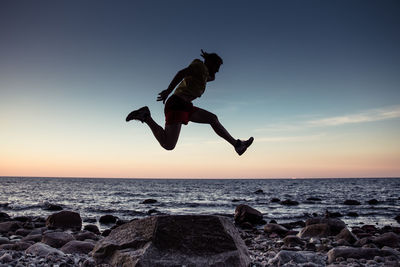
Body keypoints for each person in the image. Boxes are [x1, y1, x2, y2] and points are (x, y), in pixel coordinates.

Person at [126, 50, 253, 156]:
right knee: (168, 145)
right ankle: (146, 117)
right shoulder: (199, 67)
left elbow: (212, 77)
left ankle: (237, 145)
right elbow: (182, 73)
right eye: (217, 67)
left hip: (185, 106)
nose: (218, 70)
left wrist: (212, 69)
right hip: (176, 104)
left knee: (213, 119)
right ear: (209, 63)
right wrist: (168, 91)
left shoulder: (203, 74)